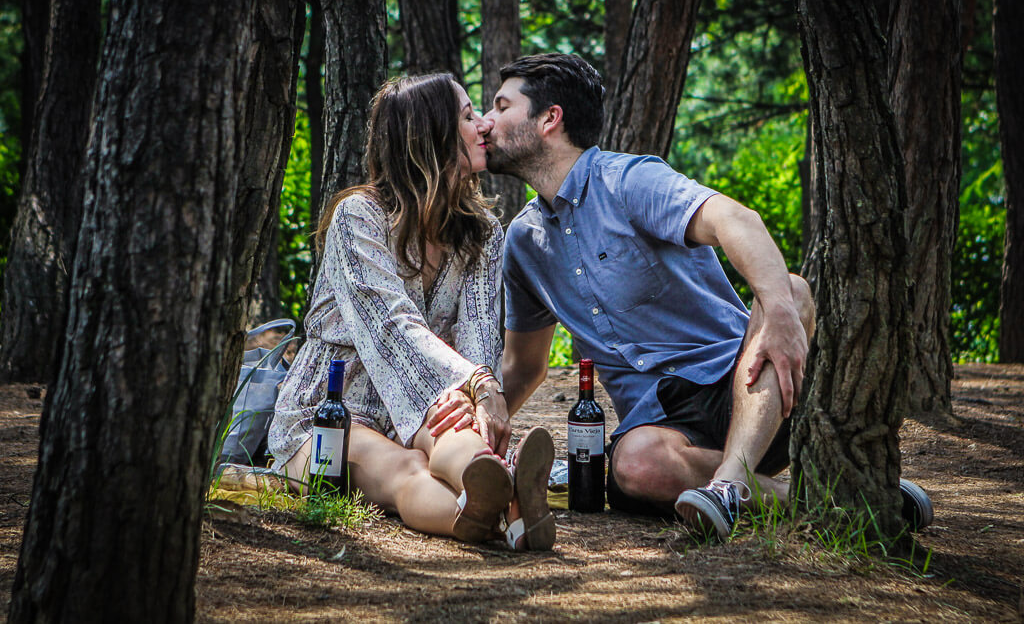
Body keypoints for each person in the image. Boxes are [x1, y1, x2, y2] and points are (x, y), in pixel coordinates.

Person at [485, 53, 933, 540]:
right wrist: (470, 427)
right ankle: (833, 499)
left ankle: (730, 483)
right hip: (664, 424)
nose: (487, 122)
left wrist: (780, 310)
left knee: (792, 289)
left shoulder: (629, 181)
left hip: (748, 384)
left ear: (550, 118)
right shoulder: (525, 243)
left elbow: (736, 220)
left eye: (501, 105)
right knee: (633, 468)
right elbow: (524, 367)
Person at [267, 73, 555, 551]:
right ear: (432, 136)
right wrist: (478, 382)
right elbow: (390, 327)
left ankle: (502, 490)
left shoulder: (481, 230)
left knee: (457, 434)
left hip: (427, 394)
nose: (484, 124)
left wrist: (474, 397)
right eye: (467, 116)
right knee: (407, 468)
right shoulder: (358, 218)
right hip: (332, 412)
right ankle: (506, 518)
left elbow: (480, 336)